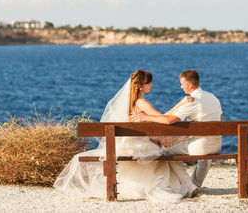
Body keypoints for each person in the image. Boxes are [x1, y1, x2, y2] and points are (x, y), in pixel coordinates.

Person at [53, 69, 198, 202]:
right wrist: (181, 103)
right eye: (149, 83)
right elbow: (164, 118)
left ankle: (188, 185)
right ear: (141, 86)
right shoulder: (142, 103)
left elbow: (136, 129)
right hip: (138, 148)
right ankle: (188, 186)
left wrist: (151, 138)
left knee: (162, 152)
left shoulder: (128, 104)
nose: (151, 86)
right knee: (165, 153)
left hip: (125, 146)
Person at [133, 69, 223, 190]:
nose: (181, 87)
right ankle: (194, 185)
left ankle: (189, 185)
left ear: (190, 85)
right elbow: (221, 121)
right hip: (217, 144)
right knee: (205, 157)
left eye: (182, 84)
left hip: (201, 145)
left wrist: (145, 117)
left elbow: (168, 120)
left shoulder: (192, 101)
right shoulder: (213, 98)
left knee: (170, 153)